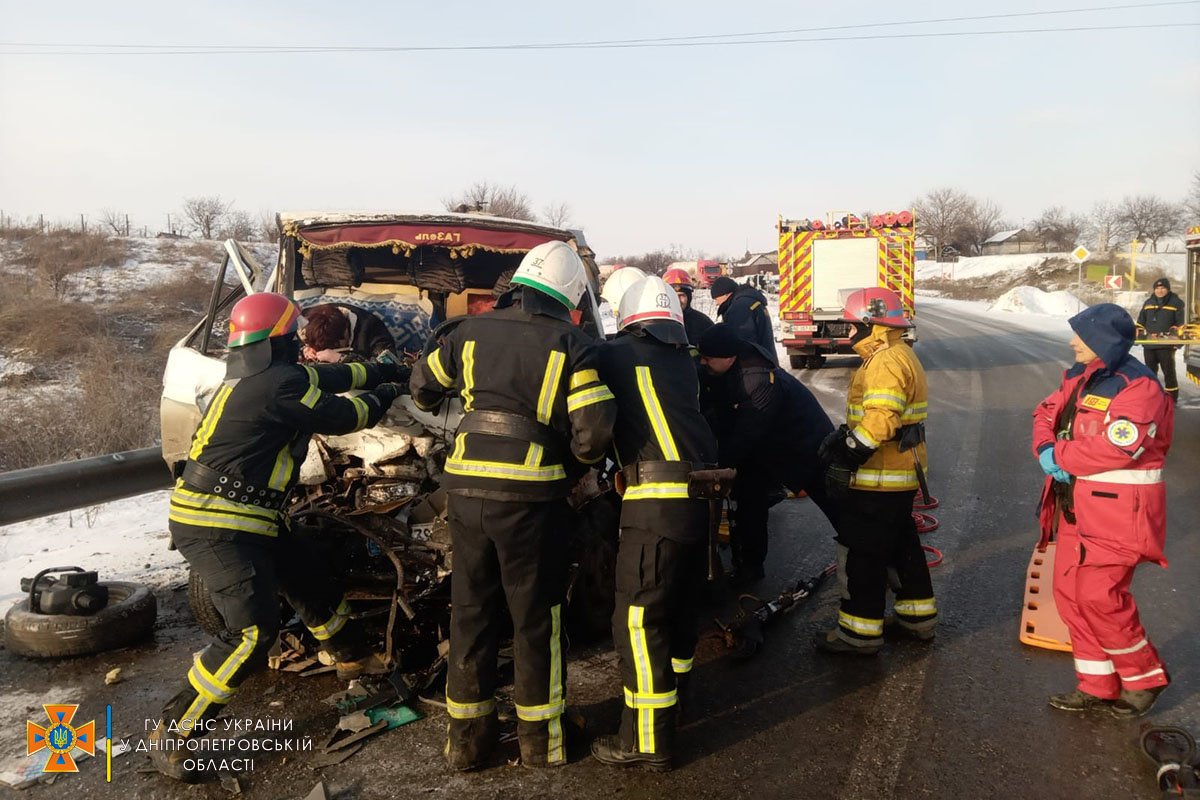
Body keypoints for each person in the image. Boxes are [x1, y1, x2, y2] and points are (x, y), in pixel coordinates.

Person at [151, 292, 404, 782]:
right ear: (284, 341)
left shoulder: (254, 375)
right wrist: (390, 392)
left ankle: (354, 659)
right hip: (217, 521)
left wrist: (382, 368)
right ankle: (175, 728)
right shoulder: (278, 384)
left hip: (253, 515)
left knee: (313, 584)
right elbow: (346, 417)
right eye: (295, 338)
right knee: (251, 633)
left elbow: (333, 375)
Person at [409, 240, 616, 770]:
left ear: (517, 284)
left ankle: (467, 744)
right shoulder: (574, 344)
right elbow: (592, 435)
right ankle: (542, 743)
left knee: (472, 612)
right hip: (531, 500)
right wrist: (567, 469)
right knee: (535, 618)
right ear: (569, 297)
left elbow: (423, 391)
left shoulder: (468, 332)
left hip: (464, 493)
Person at [590, 276, 717, 772]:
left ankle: (646, 740)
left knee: (639, 624)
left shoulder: (616, 354)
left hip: (654, 506)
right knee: (680, 609)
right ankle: (677, 701)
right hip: (698, 500)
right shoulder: (682, 362)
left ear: (627, 317)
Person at [1032, 302, 1173, 717]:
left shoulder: (1138, 387)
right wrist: (1045, 447)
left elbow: (1120, 446)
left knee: (1099, 596)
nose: (1073, 342)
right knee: (1071, 596)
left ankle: (1145, 676)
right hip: (1074, 507)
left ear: (1102, 340)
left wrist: (1060, 453)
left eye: (1081, 334)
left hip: (1118, 515)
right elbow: (1045, 412)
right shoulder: (1080, 377)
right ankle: (1097, 683)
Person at [815, 288, 935, 655]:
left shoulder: (884, 361)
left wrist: (848, 455)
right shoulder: (901, 353)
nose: (848, 334)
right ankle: (918, 616)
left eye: (853, 326)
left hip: (879, 478)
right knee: (902, 545)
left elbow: (882, 420)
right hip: (898, 476)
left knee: (862, 554)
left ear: (872, 325)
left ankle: (858, 633)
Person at [698, 324, 836, 585]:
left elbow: (747, 434)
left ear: (728, 356)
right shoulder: (723, 368)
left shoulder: (756, 380)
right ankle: (750, 567)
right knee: (750, 504)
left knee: (838, 507)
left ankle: (871, 562)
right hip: (763, 452)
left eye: (708, 357)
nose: (703, 362)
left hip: (805, 448)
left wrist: (718, 463)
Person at [1136, 277, 1185, 403]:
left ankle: (1172, 400)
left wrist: (1176, 336)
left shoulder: (1176, 303)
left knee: (1169, 374)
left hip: (1166, 345)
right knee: (1150, 374)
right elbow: (1141, 321)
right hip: (1149, 345)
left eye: (1163, 288)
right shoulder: (1148, 303)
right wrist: (1139, 332)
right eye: (1157, 288)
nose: (1160, 290)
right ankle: (1153, 398)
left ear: (1168, 289)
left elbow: (1181, 324)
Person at [708, 275, 777, 364]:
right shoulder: (749, 301)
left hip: (753, 367)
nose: (716, 303)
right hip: (764, 362)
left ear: (725, 294)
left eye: (716, 299)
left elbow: (742, 341)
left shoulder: (740, 308)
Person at [299, 301, 397, 364]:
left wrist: (341, 358)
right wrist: (305, 349)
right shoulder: (303, 320)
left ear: (346, 329)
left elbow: (389, 365)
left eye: (334, 347)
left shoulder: (372, 328)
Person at [663, 267, 714, 345]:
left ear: (689, 297)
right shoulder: (656, 323)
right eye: (673, 296)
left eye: (681, 295)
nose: (677, 300)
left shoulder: (703, 323)